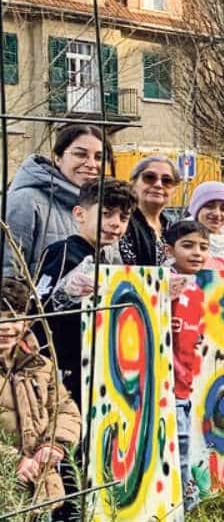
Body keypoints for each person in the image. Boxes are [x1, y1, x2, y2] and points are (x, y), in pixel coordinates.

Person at [36, 177, 134, 418]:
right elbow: (37, 309)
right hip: (62, 369)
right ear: (79, 214)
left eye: (123, 218)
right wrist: (65, 293)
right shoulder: (63, 251)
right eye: (106, 214)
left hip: (92, 368)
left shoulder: (106, 260)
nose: (115, 223)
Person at [0, 276, 81, 522]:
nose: (6, 327)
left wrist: (53, 444)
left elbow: (66, 409)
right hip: (7, 483)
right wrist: (12, 461)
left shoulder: (40, 365)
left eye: (14, 318)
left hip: (40, 485)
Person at [3, 123, 105, 276]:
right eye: (80, 154)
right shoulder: (25, 201)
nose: (91, 164)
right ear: (58, 158)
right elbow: (8, 274)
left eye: (99, 157)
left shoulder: (104, 209)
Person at [165, 219, 210, 508]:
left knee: (184, 447)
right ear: (169, 249)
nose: (197, 253)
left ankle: (187, 503)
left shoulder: (197, 289)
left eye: (203, 247)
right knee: (176, 451)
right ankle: (185, 507)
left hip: (185, 385)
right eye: (188, 246)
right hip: (166, 387)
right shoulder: (162, 285)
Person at [119, 154, 180, 266]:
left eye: (167, 181)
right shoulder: (121, 222)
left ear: (175, 190)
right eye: (150, 177)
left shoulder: (173, 228)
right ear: (133, 183)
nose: (158, 185)